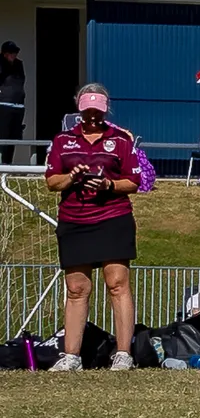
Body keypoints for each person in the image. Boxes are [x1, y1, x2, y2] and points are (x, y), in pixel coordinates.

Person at [43, 85, 139, 371]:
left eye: (98, 112)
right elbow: (51, 182)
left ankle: (123, 354)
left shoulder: (121, 140)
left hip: (113, 217)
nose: (93, 118)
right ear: (79, 110)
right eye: (88, 113)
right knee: (76, 288)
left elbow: (133, 182)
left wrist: (109, 184)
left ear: (106, 109)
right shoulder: (62, 141)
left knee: (117, 283)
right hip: (75, 219)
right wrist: (71, 176)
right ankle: (71, 356)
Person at [0, 41, 25, 164]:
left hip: (18, 105)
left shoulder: (19, 65)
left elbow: (21, 81)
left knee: (14, 136)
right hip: (4, 104)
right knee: (3, 136)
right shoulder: (1, 64)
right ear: (4, 53)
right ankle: (2, 164)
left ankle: (8, 164)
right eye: (11, 52)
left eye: (15, 52)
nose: (14, 55)